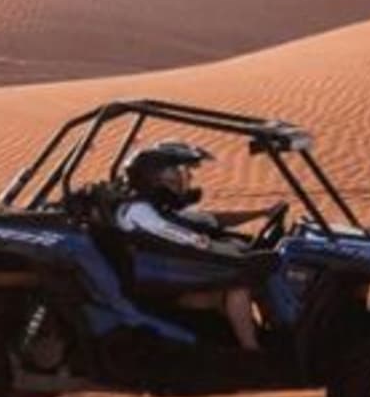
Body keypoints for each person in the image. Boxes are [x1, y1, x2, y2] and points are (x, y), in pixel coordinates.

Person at [113, 140, 283, 352]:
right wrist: (223, 252)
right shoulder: (139, 211)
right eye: (177, 174)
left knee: (252, 277)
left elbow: (209, 220)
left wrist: (261, 213)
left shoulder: (158, 207)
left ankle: (268, 338)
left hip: (175, 277)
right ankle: (252, 351)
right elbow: (179, 235)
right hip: (162, 291)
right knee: (237, 288)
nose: (187, 179)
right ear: (156, 179)